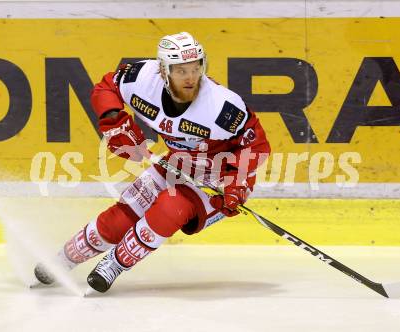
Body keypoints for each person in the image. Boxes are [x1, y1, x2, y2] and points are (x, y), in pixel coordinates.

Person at [34, 31, 271, 293]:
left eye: (196, 68)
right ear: (163, 71)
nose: (191, 77)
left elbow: (255, 145)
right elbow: (107, 87)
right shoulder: (143, 78)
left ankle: (114, 264)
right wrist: (114, 121)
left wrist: (236, 184)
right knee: (119, 220)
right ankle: (62, 260)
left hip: (220, 177)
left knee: (170, 209)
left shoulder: (222, 106)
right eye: (181, 71)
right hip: (177, 164)